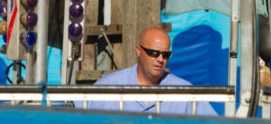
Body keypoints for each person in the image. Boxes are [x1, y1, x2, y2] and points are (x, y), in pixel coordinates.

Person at [84, 26, 217, 115]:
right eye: (154, 53)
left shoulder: (186, 93)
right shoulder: (107, 86)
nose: (160, 59)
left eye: (166, 55)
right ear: (138, 51)